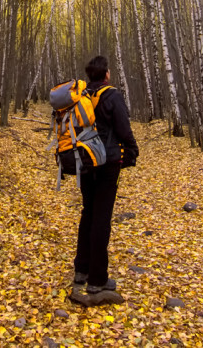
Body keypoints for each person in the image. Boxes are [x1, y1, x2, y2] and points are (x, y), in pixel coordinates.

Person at [73, 55, 139, 296]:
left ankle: (81, 270)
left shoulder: (81, 96)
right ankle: (98, 279)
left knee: (88, 213)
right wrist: (132, 150)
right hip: (108, 163)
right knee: (102, 218)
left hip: (85, 161)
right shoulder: (112, 95)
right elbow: (123, 128)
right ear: (106, 74)